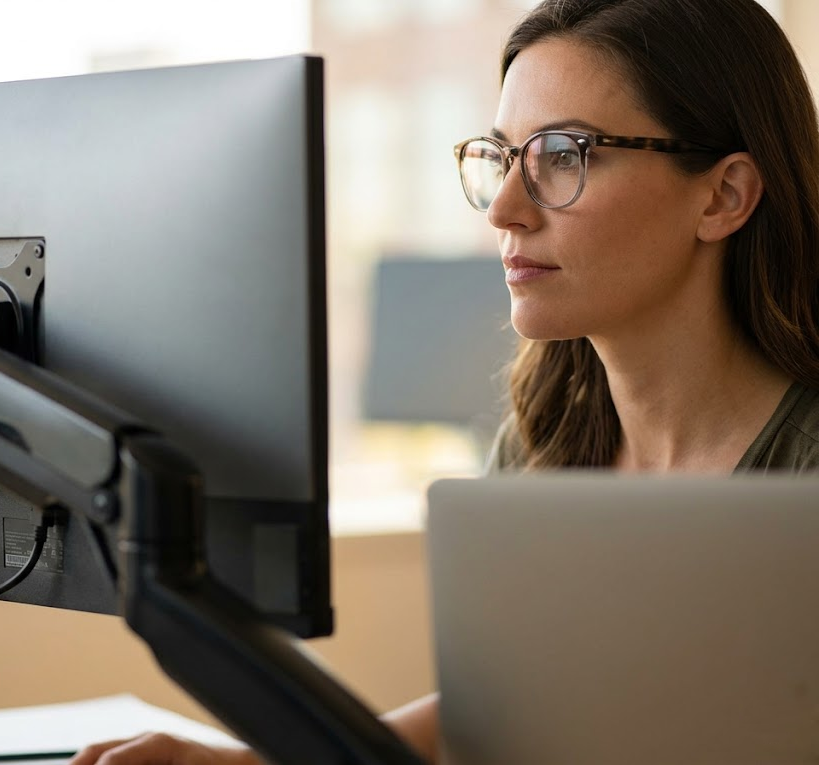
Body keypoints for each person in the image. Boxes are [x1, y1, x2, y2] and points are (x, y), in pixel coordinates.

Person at [69, 0, 819, 762]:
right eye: (503, 156)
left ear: (723, 195)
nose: (504, 208)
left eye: (565, 155)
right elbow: (508, 709)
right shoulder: (543, 444)